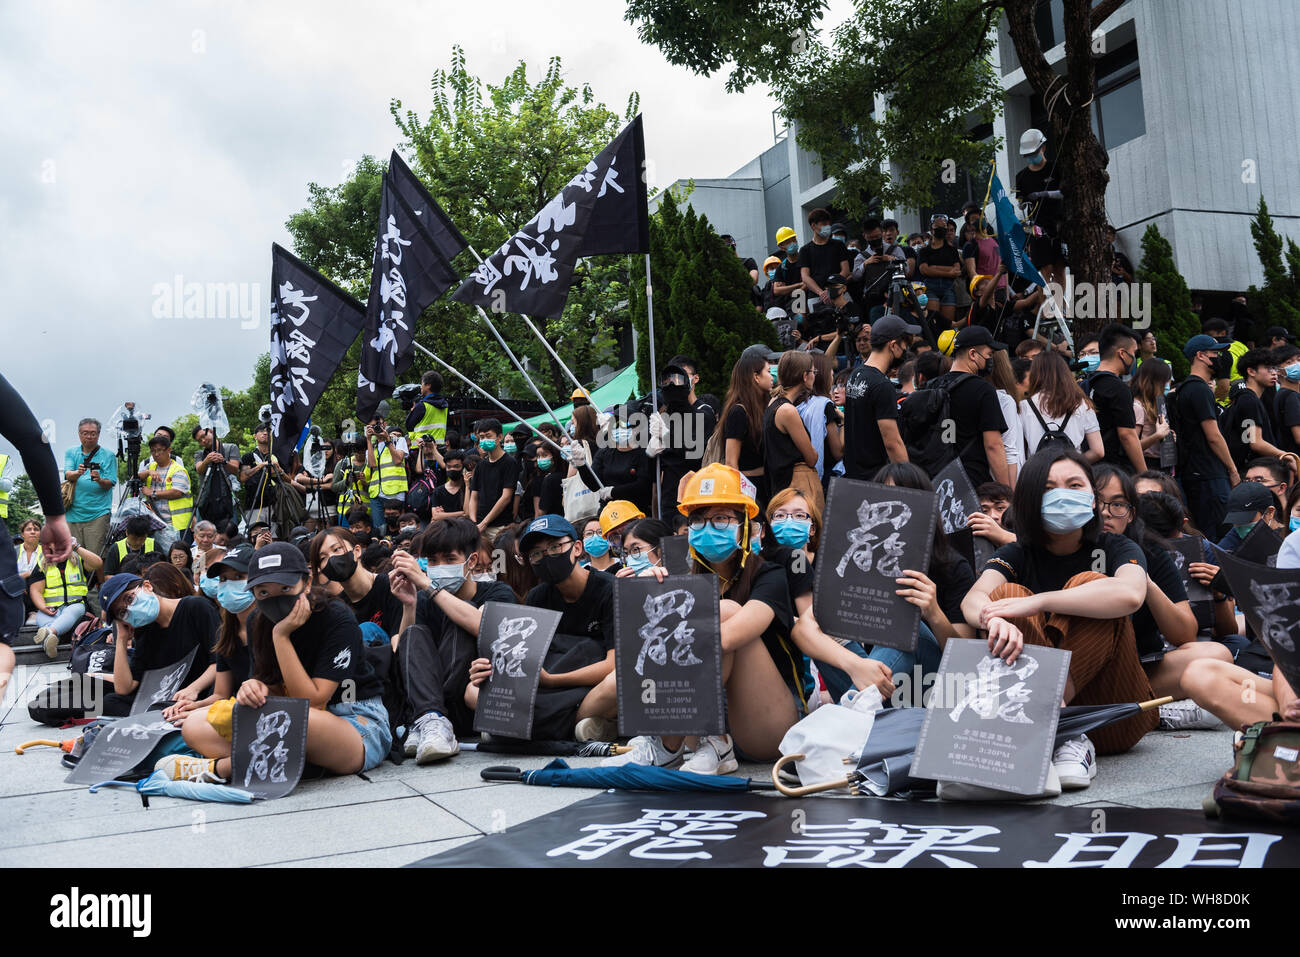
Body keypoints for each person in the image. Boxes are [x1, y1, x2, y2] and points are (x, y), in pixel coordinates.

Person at [962, 445, 1159, 784]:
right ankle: (1061, 731)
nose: (1063, 495)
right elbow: (973, 599)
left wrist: (1039, 602)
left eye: (1075, 485)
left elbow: (1129, 594)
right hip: (1027, 720)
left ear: (1093, 499)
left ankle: (1059, 728)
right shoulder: (1018, 554)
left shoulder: (1116, 547)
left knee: (1090, 584)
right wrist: (993, 617)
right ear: (1029, 501)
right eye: (1048, 488)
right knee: (1006, 596)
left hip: (1109, 716)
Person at [599, 466, 803, 772]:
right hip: (700, 726)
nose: (708, 527)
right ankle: (707, 742)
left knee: (729, 613)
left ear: (746, 526)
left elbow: (730, 636)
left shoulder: (769, 575)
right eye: (698, 519)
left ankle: (667, 745)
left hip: (769, 725)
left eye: (721, 518)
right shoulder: (680, 577)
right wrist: (650, 594)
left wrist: (663, 616)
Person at [157, 542, 390, 781]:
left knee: (297, 720)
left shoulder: (336, 618)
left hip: (353, 720)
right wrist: (255, 689)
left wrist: (281, 636)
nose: (275, 600)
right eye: (264, 593)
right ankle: (301, 767)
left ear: (307, 582)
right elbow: (272, 687)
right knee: (194, 725)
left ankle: (219, 769)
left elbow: (313, 701)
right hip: (285, 722)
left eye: (286, 588)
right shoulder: (257, 620)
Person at [1091, 465, 1231, 729]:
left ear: (1132, 514)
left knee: (1217, 654)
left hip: (1137, 670)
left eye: (1118, 504)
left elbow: (1185, 634)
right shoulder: (1063, 547)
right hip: (1079, 669)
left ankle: (1139, 710)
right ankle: (1147, 711)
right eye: (1097, 501)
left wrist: (1143, 580)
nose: (1106, 512)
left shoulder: (1151, 552)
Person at [384, 518, 517, 762]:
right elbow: (404, 651)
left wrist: (427, 584)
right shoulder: (424, 599)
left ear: (472, 561)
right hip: (429, 710)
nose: (440, 566)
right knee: (413, 632)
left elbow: (490, 629)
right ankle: (431, 718)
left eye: (449, 559)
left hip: (469, 702)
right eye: (433, 561)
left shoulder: (498, 591)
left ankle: (430, 718)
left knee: (463, 612)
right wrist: (409, 606)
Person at [100, 569, 219, 718]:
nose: (130, 609)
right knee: (110, 702)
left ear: (148, 586)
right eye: (123, 612)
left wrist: (193, 689)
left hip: (197, 696)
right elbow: (124, 688)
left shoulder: (195, 607)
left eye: (129, 599)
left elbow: (219, 663)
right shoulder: (145, 632)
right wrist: (121, 640)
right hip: (164, 701)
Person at [166, 543, 257, 730]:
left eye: (238, 577)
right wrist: (193, 706)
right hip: (235, 712)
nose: (229, 584)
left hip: (261, 716)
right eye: (223, 578)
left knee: (194, 729)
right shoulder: (226, 632)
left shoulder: (271, 630)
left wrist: (201, 713)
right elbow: (220, 695)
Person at [1170, 334, 1239, 534]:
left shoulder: (1184, 389)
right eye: (1215, 353)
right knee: (1221, 532)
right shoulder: (1200, 390)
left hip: (1195, 472)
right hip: (1209, 475)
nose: (1220, 358)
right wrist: (1233, 471)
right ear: (1200, 356)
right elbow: (1213, 435)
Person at [930, 325, 1011, 485]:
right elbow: (993, 445)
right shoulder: (984, 390)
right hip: (972, 481)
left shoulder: (931, 386)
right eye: (989, 354)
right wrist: (1005, 491)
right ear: (973, 354)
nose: (990, 359)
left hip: (936, 478)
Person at [843, 314, 916, 479]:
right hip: (874, 479)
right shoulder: (882, 385)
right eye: (905, 344)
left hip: (854, 476)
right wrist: (909, 482)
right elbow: (892, 443)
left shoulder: (856, 374)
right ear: (893, 345)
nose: (906, 349)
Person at [648, 358, 717, 517]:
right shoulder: (662, 419)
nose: (673, 384)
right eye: (668, 380)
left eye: (679, 378)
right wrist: (650, 453)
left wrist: (666, 437)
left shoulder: (703, 413)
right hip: (669, 500)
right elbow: (655, 473)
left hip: (696, 496)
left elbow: (694, 453)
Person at [310, 526, 406, 637]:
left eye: (336, 549)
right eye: (323, 558)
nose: (331, 558)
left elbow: (402, 641)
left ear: (357, 551)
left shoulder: (391, 586)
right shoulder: (338, 609)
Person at [763, 351, 823, 514]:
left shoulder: (774, 402)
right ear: (805, 376)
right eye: (813, 372)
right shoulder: (788, 411)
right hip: (793, 490)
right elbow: (811, 458)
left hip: (779, 486)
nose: (814, 375)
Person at [1081, 323, 1145, 473]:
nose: (1134, 359)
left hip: (1087, 464)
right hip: (1111, 468)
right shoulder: (1118, 388)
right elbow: (1127, 435)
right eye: (1134, 353)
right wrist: (1144, 474)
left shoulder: (1085, 384)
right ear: (1122, 354)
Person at [1020, 349, 1103, 462]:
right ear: (1064, 372)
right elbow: (1098, 451)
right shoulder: (1083, 404)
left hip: (1037, 473)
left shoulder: (1023, 406)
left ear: (1035, 374)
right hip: (1071, 472)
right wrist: (1074, 463)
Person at [715, 349, 772, 509]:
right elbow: (731, 462)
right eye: (768, 371)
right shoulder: (739, 412)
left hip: (766, 487)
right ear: (756, 377)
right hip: (750, 491)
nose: (772, 376)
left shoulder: (764, 408)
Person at [29, 532, 103, 658]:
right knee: (42, 618)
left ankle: (50, 631)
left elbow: (98, 563)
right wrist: (42, 607)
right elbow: (35, 590)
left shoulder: (78, 559)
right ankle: (50, 639)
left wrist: (77, 547)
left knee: (71, 612)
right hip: (50, 608)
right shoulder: (42, 563)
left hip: (75, 606)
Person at [1222, 347, 1285, 472]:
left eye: (1275, 368)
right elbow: (1255, 443)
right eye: (1268, 368)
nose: (1274, 373)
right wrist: (1285, 456)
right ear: (1251, 371)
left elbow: (1247, 440)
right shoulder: (1248, 400)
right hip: (1251, 471)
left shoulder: (1249, 399)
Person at [62, 418, 116, 557]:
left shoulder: (108, 455)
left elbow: (110, 482)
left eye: (93, 433)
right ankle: (80, 579)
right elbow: (68, 475)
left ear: (98, 435)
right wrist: (77, 473)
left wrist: (99, 480)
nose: (89, 437)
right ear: (79, 434)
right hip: (73, 512)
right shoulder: (71, 452)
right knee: (74, 555)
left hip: (98, 513)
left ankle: (100, 580)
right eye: (85, 433)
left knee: (96, 554)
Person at [589, 407, 653, 517]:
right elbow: (593, 484)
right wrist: (580, 465)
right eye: (617, 424)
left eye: (626, 424)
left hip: (636, 513)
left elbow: (644, 486)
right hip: (609, 512)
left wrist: (614, 492)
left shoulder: (644, 453)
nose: (621, 428)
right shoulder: (604, 453)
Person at [466, 418, 521, 545]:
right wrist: (474, 523)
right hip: (478, 527)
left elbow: (506, 497)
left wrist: (485, 523)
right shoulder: (481, 465)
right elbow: (474, 496)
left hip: (499, 527)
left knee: (499, 562)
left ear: (499, 437)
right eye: (481, 437)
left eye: (488, 436)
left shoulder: (509, 463)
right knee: (480, 563)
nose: (484, 440)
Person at [797, 352, 843, 489]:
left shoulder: (799, 402)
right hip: (824, 477)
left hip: (800, 474)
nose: (832, 376)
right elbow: (837, 452)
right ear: (823, 375)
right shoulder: (824, 405)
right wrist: (845, 421)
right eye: (831, 372)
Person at [139, 433, 194, 539]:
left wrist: (152, 493)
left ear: (169, 450)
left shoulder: (178, 470)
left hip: (177, 525)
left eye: (159, 450)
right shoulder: (151, 466)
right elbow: (134, 479)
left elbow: (177, 492)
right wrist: (147, 472)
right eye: (153, 451)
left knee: (178, 554)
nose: (156, 454)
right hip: (156, 524)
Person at [799, 208, 851, 319]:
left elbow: (845, 270)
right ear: (813, 226)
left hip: (840, 293)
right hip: (816, 297)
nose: (828, 226)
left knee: (850, 323)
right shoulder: (805, 250)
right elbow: (805, 276)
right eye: (823, 224)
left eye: (829, 223)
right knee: (821, 329)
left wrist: (833, 289)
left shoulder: (838, 245)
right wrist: (821, 293)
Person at [364, 410, 409, 532]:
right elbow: (372, 465)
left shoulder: (398, 440)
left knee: (398, 526)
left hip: (394, 490)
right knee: (380, 529)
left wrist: (387, 440)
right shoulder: (372, 445)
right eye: (372, 426)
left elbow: (398, 460)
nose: (376, 428)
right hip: (376, 492)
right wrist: (368, 440)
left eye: (378, 425)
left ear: (385, 424)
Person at [191, 423, 241, 530]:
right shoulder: (199, 454)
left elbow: (235, 469)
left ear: (211, 431)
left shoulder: (230, 448)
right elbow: (199, 470)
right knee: (204, 533)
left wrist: (223, 461)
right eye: (199, 440)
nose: (203, 441)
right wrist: (207, 460)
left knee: (230, 534)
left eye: (204, 436)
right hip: (206, 502)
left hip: (228, 500)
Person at [918, 214, 962, 330]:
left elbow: (957, 270)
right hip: (931, 288)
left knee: (948, 326)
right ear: (931, 229)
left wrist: (934, 268)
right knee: (933, 324)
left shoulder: (952, 250)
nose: (941, 229)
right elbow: (923, 270)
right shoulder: (924, 251)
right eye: (938, 227)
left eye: (944, 227)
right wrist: (948, 271)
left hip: (948, 288)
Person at [1130, 358, 1174, 471]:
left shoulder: (1157, 404)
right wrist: (1157, 436)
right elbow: (1132, 446)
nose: (1167, 385)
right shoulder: (1137, 407)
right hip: (1147, 465)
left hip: (1162, 463)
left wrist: (1168, 436)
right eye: (1164, 381)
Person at [406, 370, 451, 447]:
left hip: (422, 448)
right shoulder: (445, 405)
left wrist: (413, 410)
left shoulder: (422, 405)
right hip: (439, 448)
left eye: (422, 384)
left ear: (428, 385)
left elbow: (408, 425)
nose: (421, 387)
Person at [1273, 343, 1300, 456]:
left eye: (1298, 359)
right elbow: (1298, 437)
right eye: (1289, 362)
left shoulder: (1281, 394)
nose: (1297, 364)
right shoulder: (1290, 397)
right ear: (1278, 370)